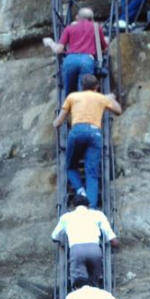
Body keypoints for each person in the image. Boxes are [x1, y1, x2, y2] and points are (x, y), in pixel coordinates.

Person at [52, 74, 123, 208]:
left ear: (82, 86)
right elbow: (118, 110)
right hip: (94, 133)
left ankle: (80, 190)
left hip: (77, 131)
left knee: (71, 166)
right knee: (92, 173)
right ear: (97, 87)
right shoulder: (100, 98)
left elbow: (59, 120)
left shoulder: (73, 97)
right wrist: (110, 98)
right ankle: (91, 207)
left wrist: (54, 124)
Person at [51, 195, 119, 287]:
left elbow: (55, 236)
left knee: (79, 281)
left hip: (76, 250)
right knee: (95, 277)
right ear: (88, 205)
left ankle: (79, 296)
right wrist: (113, 240)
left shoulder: (66, 217)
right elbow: (107, 231)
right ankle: (94, 289)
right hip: (94, 249)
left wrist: (59, 240)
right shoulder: (97, 214)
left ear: (73, 206)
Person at [42, 7, 108, 95]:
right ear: (92, 18)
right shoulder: (96, 27)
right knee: (85, 94)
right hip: (87, 60)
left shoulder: (69, 28)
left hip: (70, 60)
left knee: (69, 94)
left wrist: (50, 42)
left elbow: (59, 49)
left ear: (77, 17)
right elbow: (104, 48)